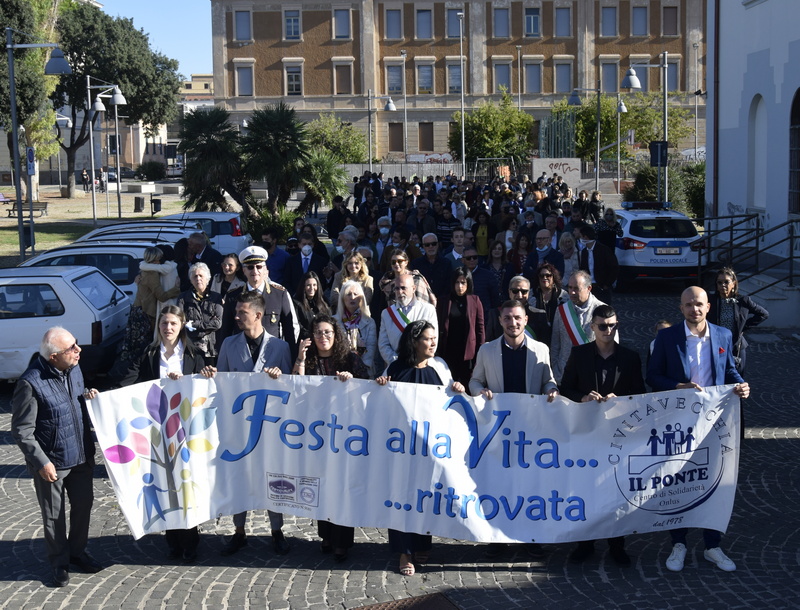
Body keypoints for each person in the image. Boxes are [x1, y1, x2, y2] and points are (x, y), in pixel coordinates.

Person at [646, 286, 750, 573]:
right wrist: (678, 387)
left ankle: (712, 545)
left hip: (714, 424)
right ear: (681, 308)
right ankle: (678, 542)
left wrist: (741, 384)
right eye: (689, 304)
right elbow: (652, 375)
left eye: (700, 304)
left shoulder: (723, 335)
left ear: (708, 307)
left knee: (714, 480)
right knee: (678, 480)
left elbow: (729, 369)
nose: (695, 309)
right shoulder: (667, 337)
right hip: (678, 422)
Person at [11, 327, 103, 587]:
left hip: (81, 455)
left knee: (84, 506)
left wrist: (89, 398)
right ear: (53, 357)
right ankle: (59, 562)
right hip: (52, 462)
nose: (78, 350)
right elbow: (22, 430)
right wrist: (42, 462)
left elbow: (77, 406)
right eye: (71, 348)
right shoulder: (30, 383)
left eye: (76, 344)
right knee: (54, 515)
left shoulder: (74, 369)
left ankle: (77, 552)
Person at [468, 299, 558, 558]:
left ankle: (530, 537)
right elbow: (475, 380)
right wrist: (479, 391)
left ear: (526, 320)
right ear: (500, 320)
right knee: (498, 484)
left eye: (517, 318)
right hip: (499, 430)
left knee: (529, 485)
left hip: (530, 430)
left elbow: (548, 380)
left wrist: (551, 389)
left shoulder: (540, 350)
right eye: (507, 318)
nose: (513, 322)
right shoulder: (487, 351)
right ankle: (497, 538)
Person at [559, 305, 646, 567]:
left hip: (619, 435)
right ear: (592, 328)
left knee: (616, 491)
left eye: (612, 325)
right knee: (585, 489)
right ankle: (585, 543)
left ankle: (617, 545)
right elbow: (566, 389)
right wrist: (583, 397)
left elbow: (640, 396)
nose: (608, 330)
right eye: (603, 326)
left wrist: (621, 401)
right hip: (587, 433)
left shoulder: (630, 357)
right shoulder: (579, 354)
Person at [376, 320, 465, 575]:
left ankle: (423, 542)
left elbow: (451, 402)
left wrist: (458, 388)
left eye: (434, 338)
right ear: (415, 341)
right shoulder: (395, 368)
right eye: (427, 338)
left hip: (429, 448)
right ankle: (404, 552)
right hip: (401, 448)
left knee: (425, 496)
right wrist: (381, 386)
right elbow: (381, 405)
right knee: (402, 497)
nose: (433, 342)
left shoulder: (439, 369)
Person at [208, 290, 293, 557]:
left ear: (258, 315)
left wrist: (280, 377)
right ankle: (239, 530)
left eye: (242, 313)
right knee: (238, 477)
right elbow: (220, 383)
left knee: (272, 476)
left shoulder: (280, 347)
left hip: (269, 426)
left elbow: (293, 389)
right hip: (237, 425)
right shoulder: (229, 344)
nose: (236, 316)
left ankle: (277, 530)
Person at [122, 306, 208, 561]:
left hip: (186, 430)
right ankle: (173, 541)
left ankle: (191, 541)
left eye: (172, 323)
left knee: (185, 485)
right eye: (163, 324)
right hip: (156, 430)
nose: (168, 328)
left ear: (181, 325)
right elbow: (127, 383)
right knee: (165, 484)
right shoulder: (148, 354)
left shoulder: (194, 354)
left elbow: (203, 386)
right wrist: (101, 397)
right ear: (157, 327)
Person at [291, 315, 369, 562]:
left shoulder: (350, 359)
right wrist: (301, 359)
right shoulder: (310, 359)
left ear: (336, 335)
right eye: (317, 333)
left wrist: (351, 382)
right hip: (317, 434)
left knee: (341, 486)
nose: (322, 337)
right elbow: (297, 388)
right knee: (321, 484)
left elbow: (368, 389)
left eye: (327, 332)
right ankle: (326, 535)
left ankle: (342, 542)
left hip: (345, 433)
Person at [115, 246, 181, 377]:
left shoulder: (145, 271)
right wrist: (177, 289)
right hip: (145, 314)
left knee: (133, 347)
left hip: (138, 311)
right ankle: (134, 375)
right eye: (158, 259)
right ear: (154, 259)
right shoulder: (151, 274)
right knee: (142, 349)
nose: (159, 261)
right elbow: (161, 296)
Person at [220, 246, 299, 351]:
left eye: (259, 267)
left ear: (265, 269)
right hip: (242, 354)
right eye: (250, 267)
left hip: (273, 354)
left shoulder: (279, 294)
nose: (255, 271)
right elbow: (226, 331)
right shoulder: (233, 296)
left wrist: (291, 359)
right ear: (244, 270)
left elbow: (289, 331)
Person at [707, 267, 769, 374]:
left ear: (734, 283)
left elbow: (763, 314)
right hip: (715, 345)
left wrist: (743, 327)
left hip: (736, 346)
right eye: (719, 282)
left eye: (726, 282)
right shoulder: (711, 300)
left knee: (737, 380)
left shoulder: (743, 301)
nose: (723, 285)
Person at [549, 271, 607, 383]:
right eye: (570, 288)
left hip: (593, 376)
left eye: (576, 288)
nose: (572, 292)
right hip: (565, 375)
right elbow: (555, 344)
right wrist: (557, 372)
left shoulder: (603, 310)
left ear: (589, 288)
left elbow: (612, 345)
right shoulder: (561, 311)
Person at [436, 267, 485, 384]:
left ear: (468, 283)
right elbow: (437, 326)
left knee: (467, 386)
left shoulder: (475, 300)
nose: (460, 286)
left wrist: (480, 352)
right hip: (447, 351)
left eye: (463, 282)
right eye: (457, 282)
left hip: (468, 353)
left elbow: (480, 328)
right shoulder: (443, 301)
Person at [378, 273, 438, 365]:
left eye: (403, 288)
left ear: (413, 288)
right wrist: (397, 362)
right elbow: (383, 344)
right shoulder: (386, 313)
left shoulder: (428, 309)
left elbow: (433, 340)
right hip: (396, 366)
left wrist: (419, 361)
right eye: (397, 288)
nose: (399, 292)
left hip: (421, 364)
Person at [176, 262, 223, 364]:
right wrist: (207, 325)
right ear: (191, 280)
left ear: (208, 278)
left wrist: (194, 324)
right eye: (195, 276)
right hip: (190, 347)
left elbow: (218, 323)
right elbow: (181, 321)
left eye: (201, 275)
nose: (198, 278)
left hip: (211, 348)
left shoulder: (216, 298)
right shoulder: (183, 298)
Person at [485, 275, 550, 345]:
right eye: (515, 291)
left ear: (528, 293)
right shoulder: (495, 314)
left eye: (524, 291)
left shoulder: (539, 315)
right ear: (509, 292)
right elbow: (489, 342)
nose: (519, 295)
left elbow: (544, 345)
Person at [334, 280, 378, 376]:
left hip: (364, 371)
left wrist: (359, 368)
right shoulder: (334, 321)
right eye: (348, 294)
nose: (352, 297)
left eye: (355, 294)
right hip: (340, 371)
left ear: (361, 298)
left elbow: (371, 348)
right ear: (342, 298)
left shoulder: (369, 322)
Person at [576, 225, 618, 305]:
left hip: (602, 287)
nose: (580, 239)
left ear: (585, 237)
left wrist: (607, 284)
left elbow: (613, 267)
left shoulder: (603, 250)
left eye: (581, 237)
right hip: (589, 287)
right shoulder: (584, 252)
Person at [410, 233, 453, 302]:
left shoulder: (446, 263)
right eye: (427, 245)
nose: (431, 247)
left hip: (443, 302)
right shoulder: (416, 264)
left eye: (433, 244)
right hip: (422, 302)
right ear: (423, 247)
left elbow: (449, 284)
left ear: (438, 245)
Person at [460, 246, 500, 316]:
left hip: (484, 315)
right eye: (468, 258)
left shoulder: (488, 275)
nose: (472, 260)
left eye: (475, 257)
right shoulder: (458, 276)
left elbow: (495, 299)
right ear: (462, 260)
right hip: (463, 315)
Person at [293, 271, 332, 337]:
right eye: (308, 285)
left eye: (314, 285)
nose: (312, 288)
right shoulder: (296, 304)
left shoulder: (324, 302)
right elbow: (298, 326)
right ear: (303, 286)